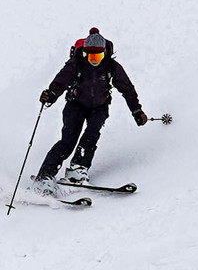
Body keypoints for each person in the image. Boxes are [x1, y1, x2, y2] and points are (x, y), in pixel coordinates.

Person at [33, 28, 147, 188]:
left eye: (98, 55)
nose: (94, 59)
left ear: (104, 53)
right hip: (76, 105)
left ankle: (78, 169)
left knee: (91, 136)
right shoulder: (76, 64)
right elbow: (61, 81)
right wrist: (50, 95)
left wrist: (137, 111)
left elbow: (127, 89)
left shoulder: (112, 67)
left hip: (99, 107)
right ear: (84, 53)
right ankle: (44, 176)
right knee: (68, 141)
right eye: (90, 55)